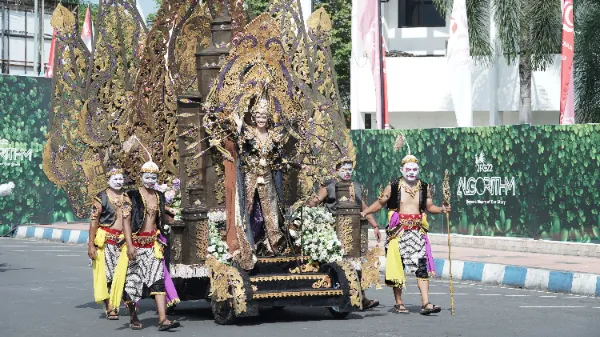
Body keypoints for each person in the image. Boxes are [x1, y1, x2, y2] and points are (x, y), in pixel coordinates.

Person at [361, 154, 451, 315]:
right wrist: (366, 211)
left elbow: (429, 206)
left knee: (422, 267)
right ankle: (399, 302)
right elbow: (380, 203)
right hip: (398, 233)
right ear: (401, 170)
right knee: (398, 268)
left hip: (417, 232)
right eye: (408, 169)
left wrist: (442, 209)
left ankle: (426, 303)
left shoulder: (424, 187)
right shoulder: (394, 186)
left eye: (414, 169)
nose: (411, 172)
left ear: (418, 170)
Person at [307, 157, 381, 310]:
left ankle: (362, 297)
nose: (347, 172)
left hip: (355, 230)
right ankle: (337, 294)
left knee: (357, 263)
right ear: (336, 170)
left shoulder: (356, 186)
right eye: (344, 169)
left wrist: (375, 225)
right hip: (335, 232)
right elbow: (315, 201)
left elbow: (364, 207)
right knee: (339, 263)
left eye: (350, 169)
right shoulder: (329, 186)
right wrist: (310, 210)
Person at [228, 91, 291, 269]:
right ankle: (247, 246)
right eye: (259, 115)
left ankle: (274, 245)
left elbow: (279, 156)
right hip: (250, 176)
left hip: (268, 177)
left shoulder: (274, 135)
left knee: (271, 210)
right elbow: (240, 146)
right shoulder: (248, 133)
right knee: (247, 207)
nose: (262, 119)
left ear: (268, 117)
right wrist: (239, 123)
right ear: (254, 117)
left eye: (264, 116)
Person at [119, 160, 180, 331]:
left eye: (154, 177)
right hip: (136, 245)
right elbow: (126, 222)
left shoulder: (159, 196)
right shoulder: (130, 196)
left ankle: (163, 319)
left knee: (158, 281)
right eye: (147, 176)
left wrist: (175, 220)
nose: (151, 180)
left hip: (153, 244)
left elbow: (160, 219)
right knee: (133, 283)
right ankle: (133, 317)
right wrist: (130, 245)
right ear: (141, 177)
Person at [87, 168, 130, 320]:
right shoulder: (101, 198)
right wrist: (91, 245)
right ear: (108, 181)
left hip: (124, 241)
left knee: (125, 274)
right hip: (106, 241)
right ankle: (110, 306)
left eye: (120, 179)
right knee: (107, 275)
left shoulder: (127, 196)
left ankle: (120, 299)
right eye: (115, 179)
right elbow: (93, 222)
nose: (119, 182)